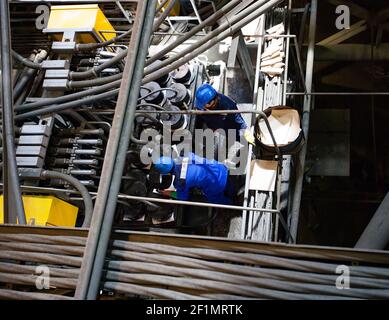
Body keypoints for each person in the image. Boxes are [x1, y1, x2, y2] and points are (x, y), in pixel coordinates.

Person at [153, 153, 235, 205]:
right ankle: (233, 188)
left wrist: (168, 193)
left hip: (216, 185)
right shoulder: (185, 155)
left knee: (213, 199)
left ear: (167, 173)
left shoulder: (180, 182)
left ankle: (232, 203)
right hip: (220, 168)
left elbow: (183, 197)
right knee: (228, 182)